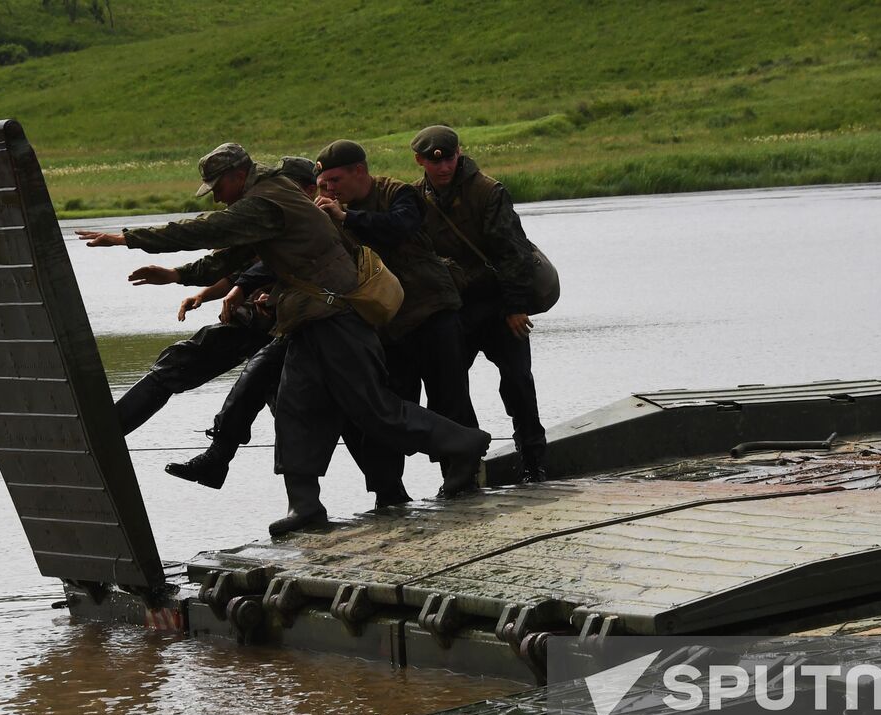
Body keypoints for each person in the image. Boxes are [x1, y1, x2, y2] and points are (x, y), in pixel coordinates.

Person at [76, 142, 491, 536]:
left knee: (373, 409)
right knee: (296, 407)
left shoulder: (266, 199)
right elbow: (232, 256)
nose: (217, 198)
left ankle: (464, 444)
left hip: (335, 316)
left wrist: (129, 238)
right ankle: (304, 505)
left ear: (239, 175)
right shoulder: (264, 199)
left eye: (219, 187)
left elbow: (208, 230)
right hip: (309, 318)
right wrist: (178, 276)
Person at [111, 156, 319, 444]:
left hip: (288, 324)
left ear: (307, 190)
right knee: (282, 407)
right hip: (262, 322)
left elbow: (247, 263)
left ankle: (103, 436)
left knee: (286, 405)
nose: (217, 198)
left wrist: (129, 240)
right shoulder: (276, 214)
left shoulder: (312, 219)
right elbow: (235, 266)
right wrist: (184, 280)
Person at [313, 139, 478, 503]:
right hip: (388, 325)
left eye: (335, 181)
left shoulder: (398, 193)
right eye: (324, 184)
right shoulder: (329, 212)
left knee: (449, 397)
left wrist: (346, 218)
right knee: (389, 410)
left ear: (360, 171)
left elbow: (399, 226)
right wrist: (244, 288)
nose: (329, 190)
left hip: (433, 312)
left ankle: (461, 478)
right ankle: (389, 491)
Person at [410, 125, 548, 483]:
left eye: (450, 159)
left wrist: (516, 307)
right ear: (420, 161)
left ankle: (534, 462)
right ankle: (460, 471)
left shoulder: (488, 192)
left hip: (500, 303)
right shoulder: (413, 198)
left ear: (459, 154)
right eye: (434, 162)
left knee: (518, 381)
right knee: (447, 392)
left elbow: (514, 252)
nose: (444, 168)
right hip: (454, 309)